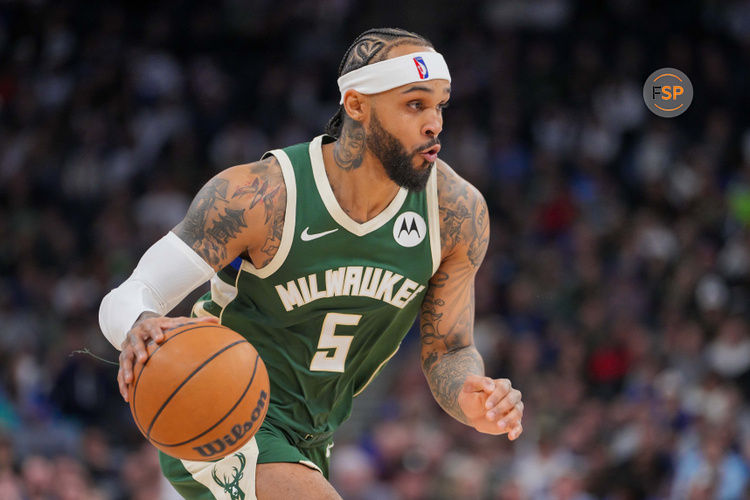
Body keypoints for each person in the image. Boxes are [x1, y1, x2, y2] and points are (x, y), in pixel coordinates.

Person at [99, 27, 525, 499]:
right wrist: (139, 324)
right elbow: (131, 294)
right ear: (357, 105)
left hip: (312, 440)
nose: (435, 123)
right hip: (221, 412)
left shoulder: (456, 213)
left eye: (440, 104)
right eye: (414, 104)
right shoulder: (260, 197)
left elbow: (448, 349)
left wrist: (469, 394)